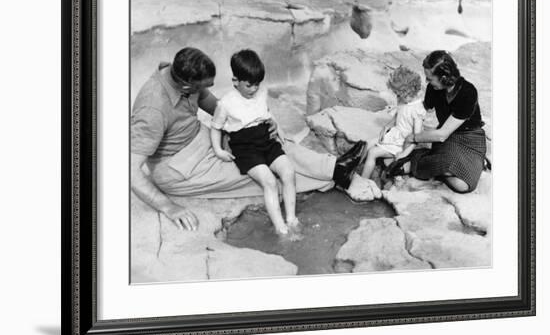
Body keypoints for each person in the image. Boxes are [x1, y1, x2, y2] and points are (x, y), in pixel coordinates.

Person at [130, 47, 367, 231]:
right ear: (184, 85)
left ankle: (337, 169)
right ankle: (331, 178)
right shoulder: (152, 109)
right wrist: (168, 207)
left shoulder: (181, 71)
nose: (207, 90)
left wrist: (250, 121)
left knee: (276, 146)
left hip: (202, 137)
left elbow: (211, 103)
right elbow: (129, 170)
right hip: (182, 167)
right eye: (202, 87)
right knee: (261, 175)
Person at [210, 49, 300, 237]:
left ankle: (291, 218)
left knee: (288, 172)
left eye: (257, 85)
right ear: (236, 81)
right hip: (245, 147)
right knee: (269, 181)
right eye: (249, 85)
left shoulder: (261, 92)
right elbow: (216, 127)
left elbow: (265, 112)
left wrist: (277, 127)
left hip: (265, 139)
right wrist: (218, 150)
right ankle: (280, 228)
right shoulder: (226, 103)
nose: (254, 90)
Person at [387, 50, 488, 193]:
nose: (427, 81)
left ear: (444, 77)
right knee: (448, 164)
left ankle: (420, 165)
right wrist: (396, 116)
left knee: (463, 186)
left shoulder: (468, 92)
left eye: (430, 78)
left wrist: (414, 137)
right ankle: (431, 164)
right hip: (448, 141)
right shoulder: (433, 89)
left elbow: (441, 134)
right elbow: (421, 108)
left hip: (469, 137)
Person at [361, 66, 426, 184]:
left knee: (372, 153)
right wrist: (386, 127)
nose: (398, 97)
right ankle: (354, 168)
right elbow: (398, 116)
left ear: (409, 91)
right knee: (368, 143)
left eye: (400, 95)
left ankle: (362, 182)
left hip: (402, 144)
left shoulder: (417, 110)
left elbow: (416, 138)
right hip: (394, 135)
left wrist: (404, 154)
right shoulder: (403, 101)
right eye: (397, 95)